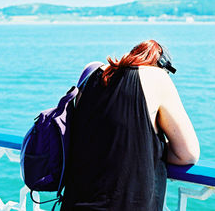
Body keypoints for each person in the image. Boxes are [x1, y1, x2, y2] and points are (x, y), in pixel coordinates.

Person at [61, 40, 200, 211]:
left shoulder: (92, 74)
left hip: (74, 202)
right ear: (161, 64)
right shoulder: (157, 76)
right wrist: (147, 149)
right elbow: (188, 154)